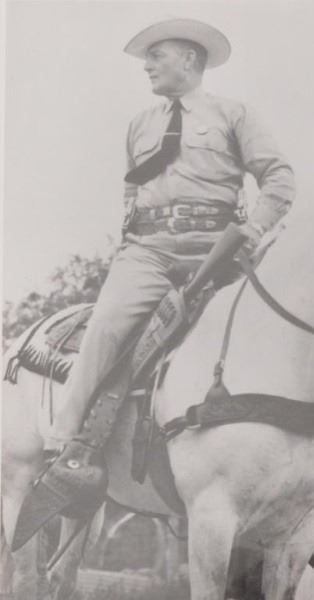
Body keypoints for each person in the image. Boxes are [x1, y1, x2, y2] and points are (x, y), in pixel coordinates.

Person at [45, 17, 295, 452]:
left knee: (270, 329)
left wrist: (255, 230)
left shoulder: (234, 114)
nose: (147, 67)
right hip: (149, 253)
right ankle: (64, 442)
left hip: (217, 251)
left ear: (189, 59)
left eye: (156, 56)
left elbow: (279, 178)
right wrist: (132, 238)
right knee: (105, 325)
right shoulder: (140, 124)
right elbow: (132, 188)